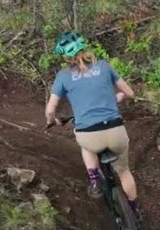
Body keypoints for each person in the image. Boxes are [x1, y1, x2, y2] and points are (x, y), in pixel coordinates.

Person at [44, 31, 141, 215]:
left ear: (65, 57)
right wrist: (118, 96)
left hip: (90, 134)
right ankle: (135, 210)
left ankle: (94, 179)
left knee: (86, 145)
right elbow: (130, 93)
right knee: (124, 172)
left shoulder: (63, 77)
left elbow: (50, 109)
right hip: (115, 130)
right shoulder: (104, 66)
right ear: (85, 48)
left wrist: (52, 121)